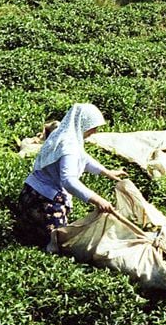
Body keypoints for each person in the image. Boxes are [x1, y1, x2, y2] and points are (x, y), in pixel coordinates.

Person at [15, 103, 127, 248]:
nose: (95, 131)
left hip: (30, 192)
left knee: (30, 239)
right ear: (83, 123)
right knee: (57, 244)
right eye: (93, 126)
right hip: (46, 202)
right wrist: (98, 200)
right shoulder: (69, 146)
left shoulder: (61, 134)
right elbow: (68, 181)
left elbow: (83, 158)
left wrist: (107, 172)